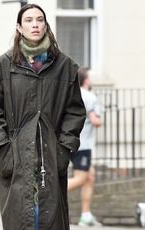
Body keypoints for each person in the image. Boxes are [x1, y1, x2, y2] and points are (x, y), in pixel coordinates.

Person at [0, 4, 86, 230]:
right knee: (21, 217)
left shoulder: (65, 66)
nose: (35, 24)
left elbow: (74, 110)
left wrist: (64, 146)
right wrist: (4, 146)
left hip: (51, 151)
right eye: (28, 20)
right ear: (19, 27)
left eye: (39, 19)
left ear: (46, 25)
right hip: (16, 154)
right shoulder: (2, 66)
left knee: (50, 216)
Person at [67, 67, 102, 227]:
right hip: (83, 146)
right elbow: (95, 121)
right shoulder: (89, 97)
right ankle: (47, 193)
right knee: (81, 179)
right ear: (86, 80)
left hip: (70, 142)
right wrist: (98, 120)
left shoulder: (69, 95)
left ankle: (86, 215)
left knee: (90, 177)